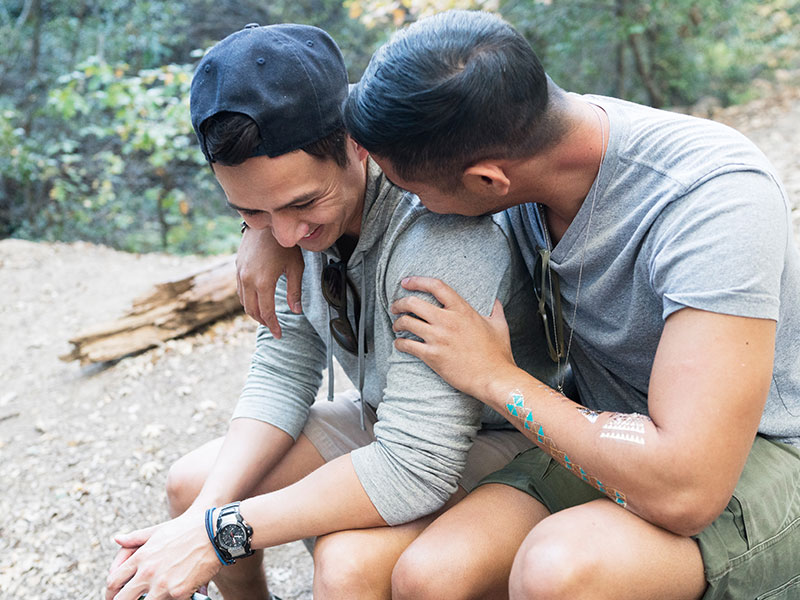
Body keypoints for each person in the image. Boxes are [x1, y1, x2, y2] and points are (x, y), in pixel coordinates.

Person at [244, 10, 800, 600]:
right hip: (603, 428)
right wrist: (263, 228)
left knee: (556, 571)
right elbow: (315, 131)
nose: (405, 203)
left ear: (487, 183)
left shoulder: (708, 204)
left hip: (750, 455)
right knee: (430, 576)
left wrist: (495, 377)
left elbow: (686, 490)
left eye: (409, 192)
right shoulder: (506, 128)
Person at [103, 21, 561, 600]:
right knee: (192, 485)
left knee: (347, 564)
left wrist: (219, 534)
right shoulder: (284, 228)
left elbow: (417, 463)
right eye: (251, 210)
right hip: (385, 415)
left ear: (356, 143)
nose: (289, 234)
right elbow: (282, 369)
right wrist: (204, 516)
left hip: (487, 433)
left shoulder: (443, 235)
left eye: (302, 203)